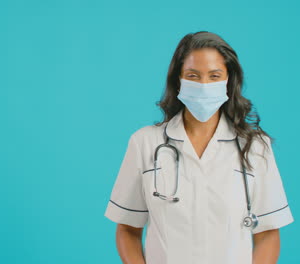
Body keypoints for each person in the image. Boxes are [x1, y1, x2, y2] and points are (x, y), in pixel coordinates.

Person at [104, 31, 294, 264]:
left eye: (215, 76)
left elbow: (267, 234)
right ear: (178, 80)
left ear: (228, 81)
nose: (204, 86)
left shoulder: (255, 147)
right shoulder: (145, 143)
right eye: (193, 76)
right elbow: (128, 229)